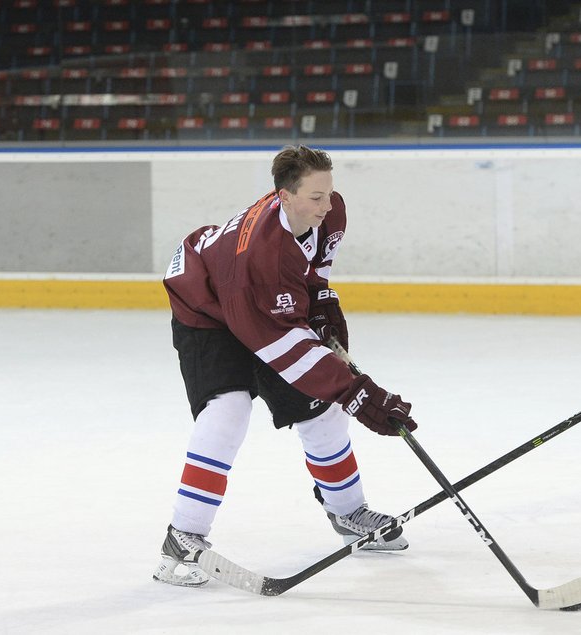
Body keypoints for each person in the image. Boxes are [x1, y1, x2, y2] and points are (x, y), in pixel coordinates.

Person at [154, 145, 418, 587]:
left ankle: (347, 510)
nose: (327, 205)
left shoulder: (328, 215)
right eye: (315, 198)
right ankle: (182, 538)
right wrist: (358, 392)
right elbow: (282, 345)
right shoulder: (259, 257)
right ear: (284, 196)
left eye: (329, 193)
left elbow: (312, 274)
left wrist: (318, 305)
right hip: (206, 308)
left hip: (255, 303)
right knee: (228, 411)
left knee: (321, 406)